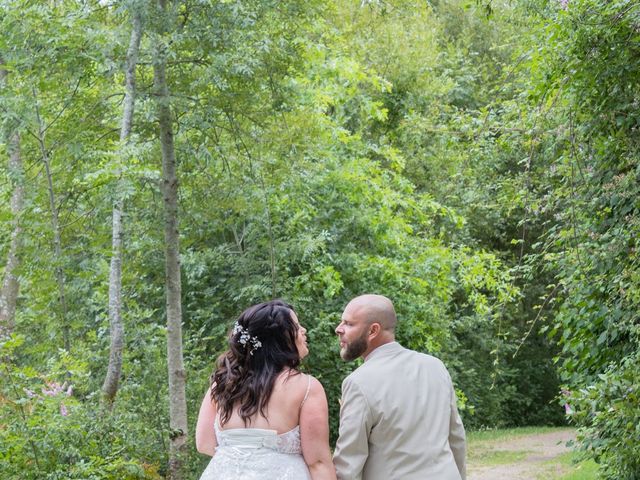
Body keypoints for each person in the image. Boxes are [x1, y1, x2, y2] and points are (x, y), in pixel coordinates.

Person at [196, 300, 336, 480]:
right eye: (296, 326)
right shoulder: (306, 387)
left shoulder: (222, 383)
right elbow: (317, 462)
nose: (303, 330)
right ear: (280, 339)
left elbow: (204, 444)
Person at [333, 294, 466, 480]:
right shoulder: (435, 366)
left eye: (349, 323)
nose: (339, 329)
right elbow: (456, 438)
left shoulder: (358, 382)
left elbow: (348, 464)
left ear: (373, 331)